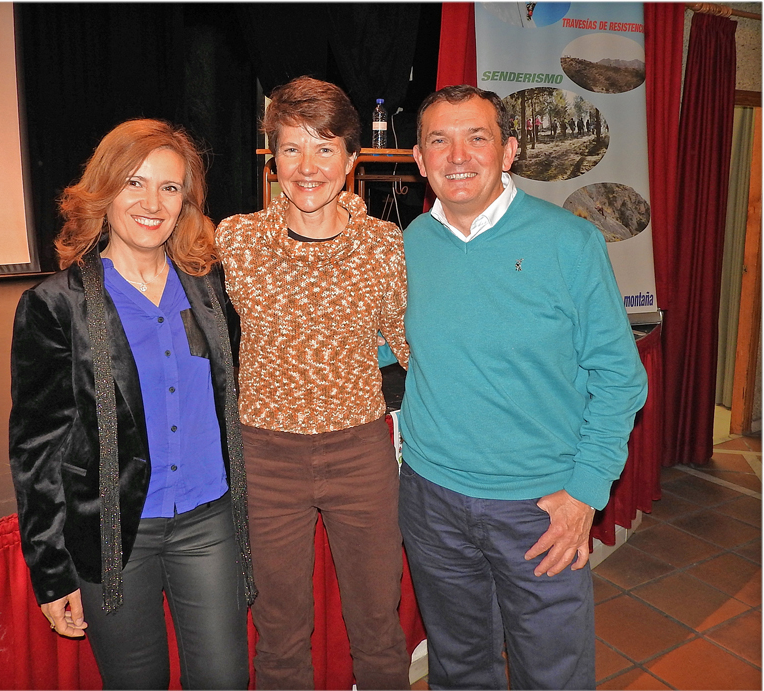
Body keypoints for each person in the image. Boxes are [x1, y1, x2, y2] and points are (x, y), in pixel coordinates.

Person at [400, 85, 647, 689]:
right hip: (431, 501)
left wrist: (585, 491)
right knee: (457, 669)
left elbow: (620, 378)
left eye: (477, 137)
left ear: (509, 151)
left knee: (553, 675)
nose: (458, 156)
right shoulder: (406, 247)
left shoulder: (569, 242)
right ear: (420, 159)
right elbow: (382, 344)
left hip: (538, 508)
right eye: (440, 141)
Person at [9, 119, 256, 690]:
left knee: (225, 680)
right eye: (134, 183)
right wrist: (52, 571)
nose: (152, 203)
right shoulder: (56, 305)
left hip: (209, 520)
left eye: (169, 188)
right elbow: (37, 451)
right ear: (105, 191)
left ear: (185, 201)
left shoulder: (213, 290)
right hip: (116, 533)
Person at [216, 76, 410, 690]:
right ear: (272, 159)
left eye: (325, 148)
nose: (308, 166)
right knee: (279, 632)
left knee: (378, 625)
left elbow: (410, 343)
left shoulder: (384, 245)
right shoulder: (236, 240)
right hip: (266, 458)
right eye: (292, 147)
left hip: (360, 453)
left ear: (351, 159)